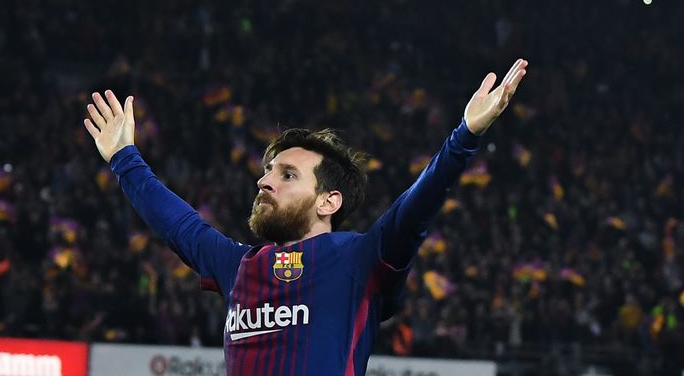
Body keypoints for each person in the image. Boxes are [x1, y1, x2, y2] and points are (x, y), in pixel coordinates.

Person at [84, 58, 528, 375]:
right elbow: (179, 224)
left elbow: (415, 209)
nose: (264, 182)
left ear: (328, 202)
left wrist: (465, 136)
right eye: (267, 172)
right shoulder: (239, 266)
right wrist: (124, 157)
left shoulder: (355, 259)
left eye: (287, 174)